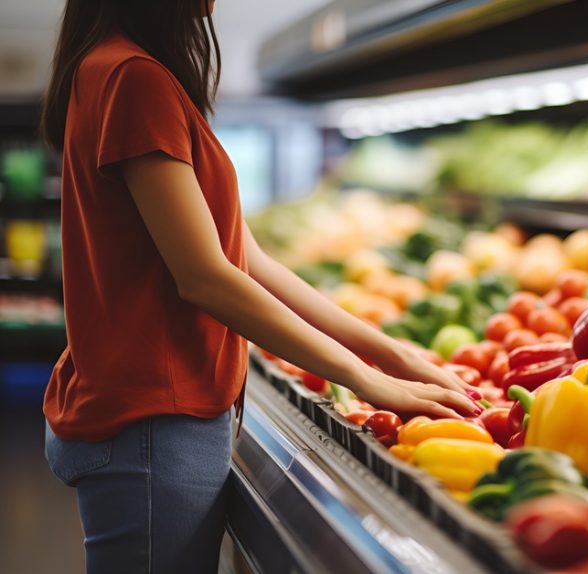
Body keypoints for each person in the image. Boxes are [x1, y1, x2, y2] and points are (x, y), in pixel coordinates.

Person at [38, 1, 478, 572]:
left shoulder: (118, 68)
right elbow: (205, 277)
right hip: (153, 422)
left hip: (152, 414)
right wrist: (363, 378)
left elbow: (246, 258)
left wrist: (389, 355)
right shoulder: (133, 78)